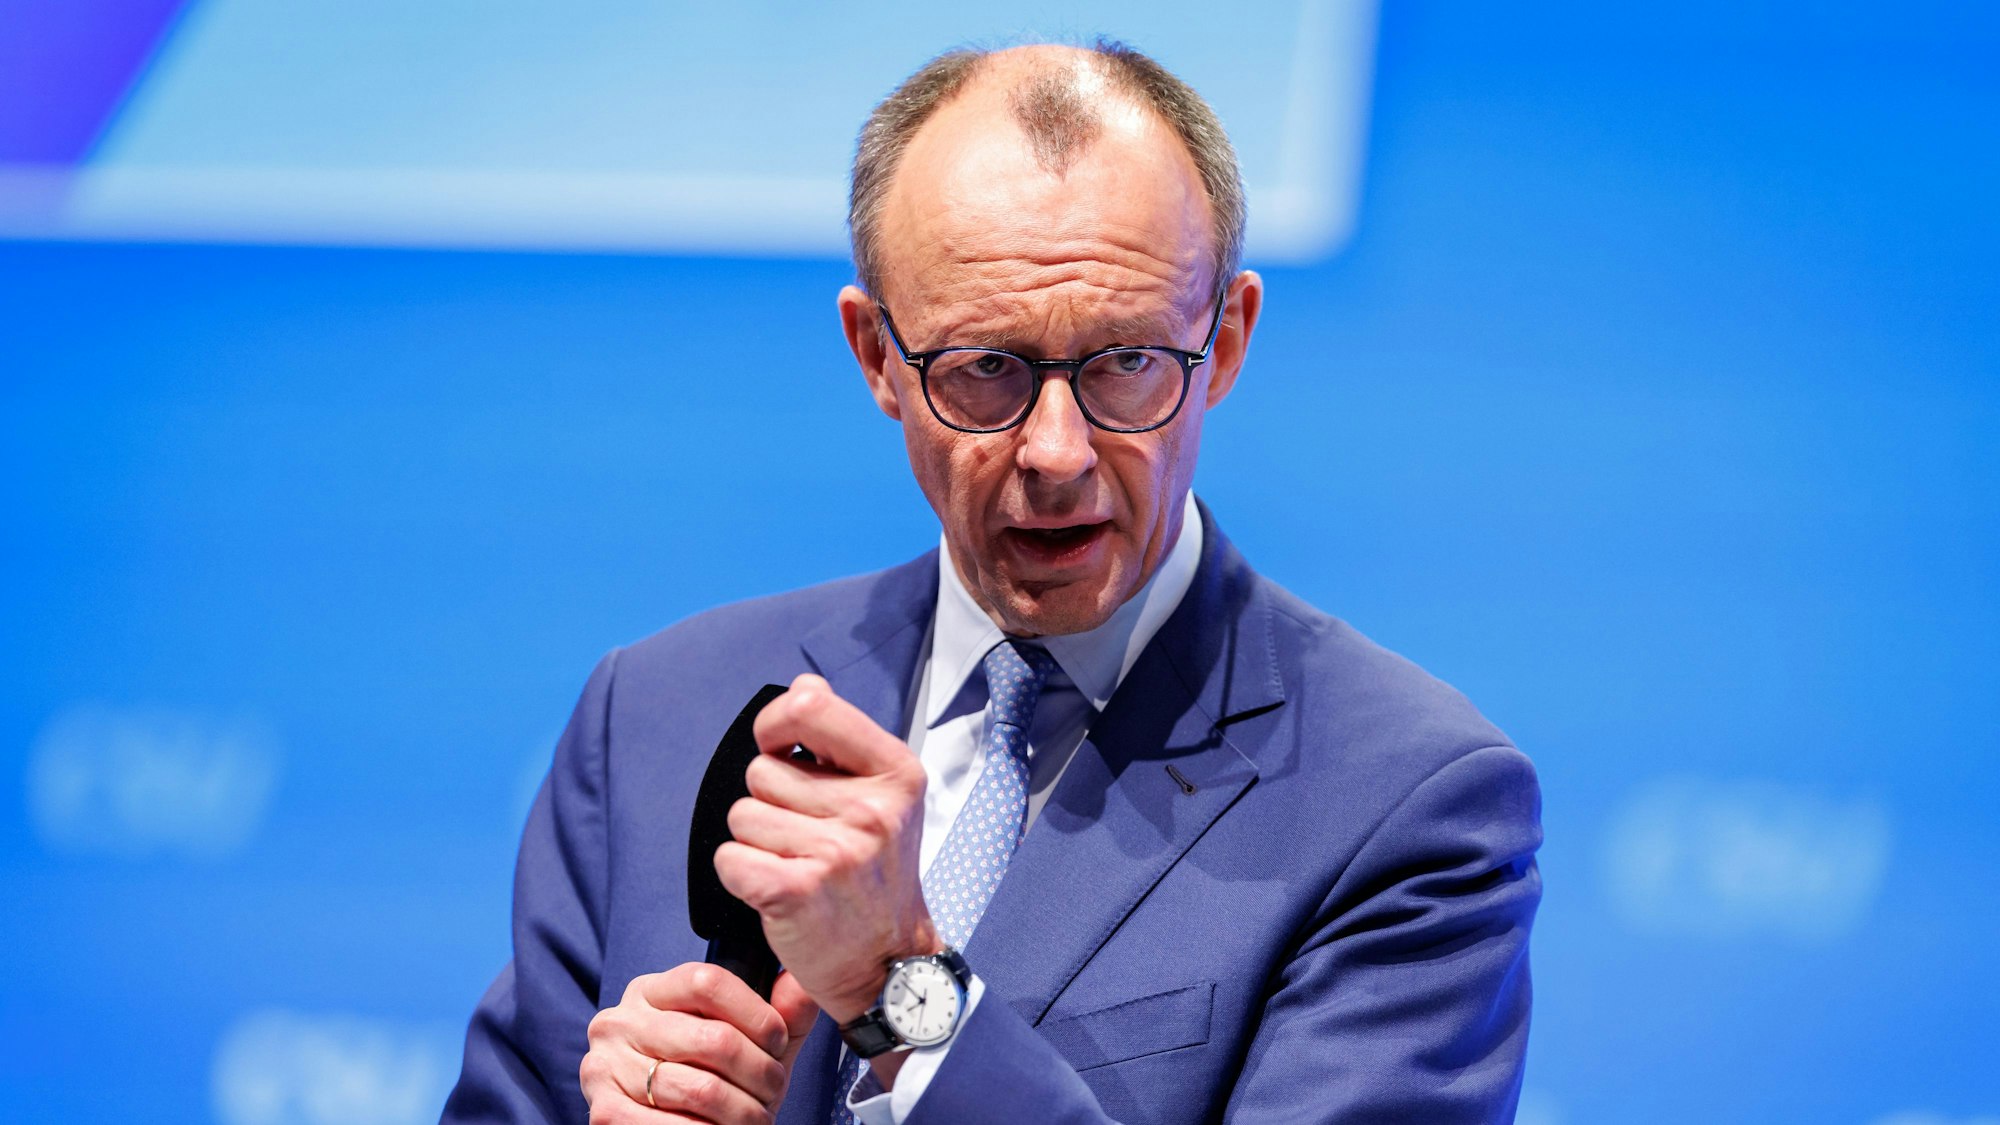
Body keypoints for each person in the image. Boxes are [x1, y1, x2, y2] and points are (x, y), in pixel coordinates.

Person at [443, 40, 1541, 1125]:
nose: (1057, 451)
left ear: (1226, 341)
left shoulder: (1406, 804)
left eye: (1127, 362)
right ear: (876, 356)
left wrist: (898, 989)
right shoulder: (656, 713)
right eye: (985, 369)